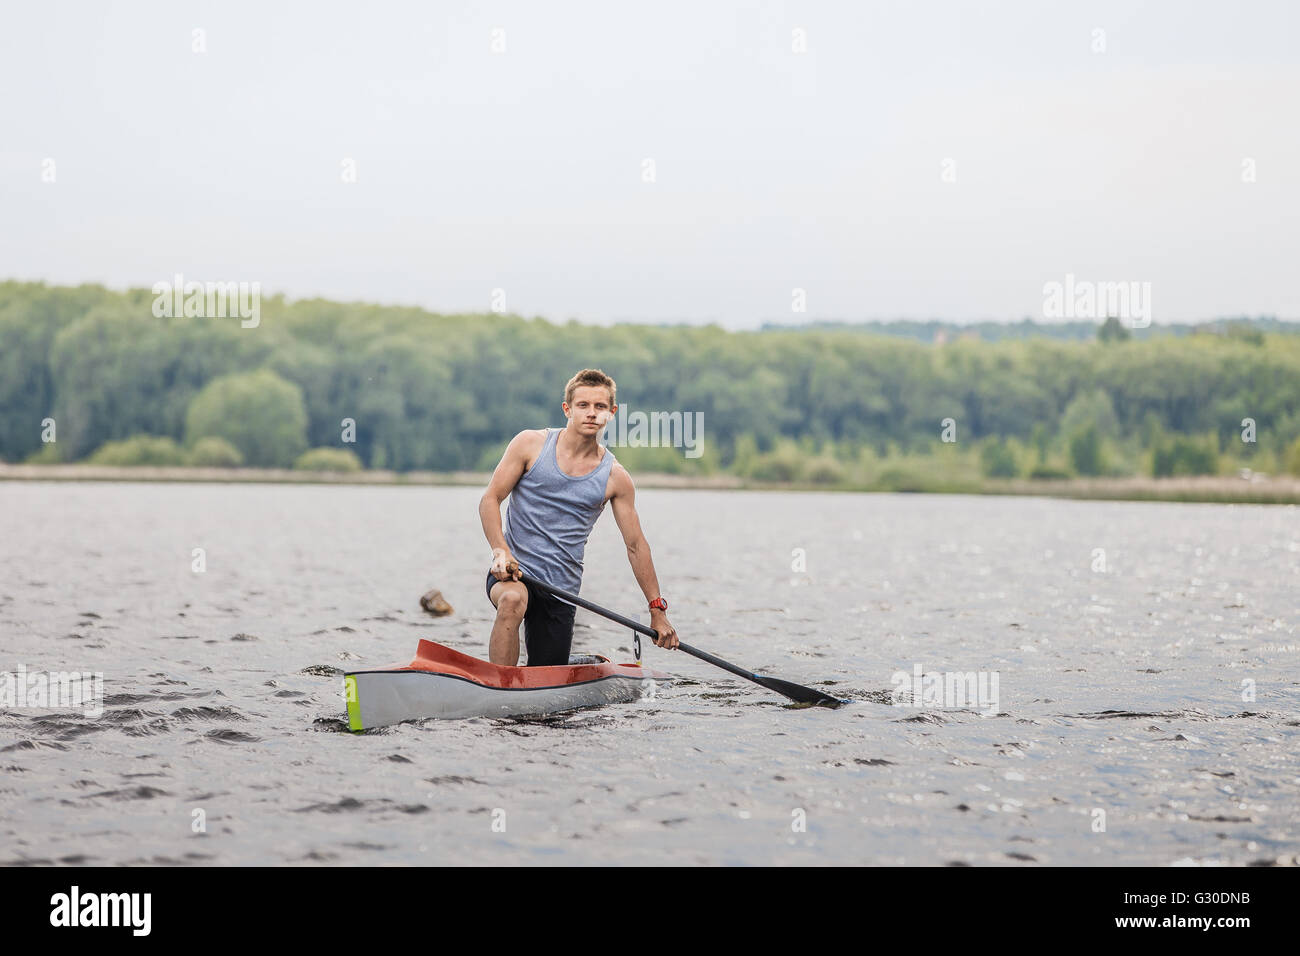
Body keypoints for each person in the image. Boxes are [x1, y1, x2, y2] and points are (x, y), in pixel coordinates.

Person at [479, 368, 678, 666]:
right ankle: (498, 685)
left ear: (611, 413)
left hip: (561, 589)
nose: (591, 413)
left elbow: (636, 545)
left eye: (600, 407)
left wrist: (657, 610)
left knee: (546, 669)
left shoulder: (615, 477)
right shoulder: (530, 445)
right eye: (583, 405)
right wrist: (500, 551)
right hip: (513, 573)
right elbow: (490, 499)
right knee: (512, 600)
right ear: (567, 409)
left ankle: (579, 663)